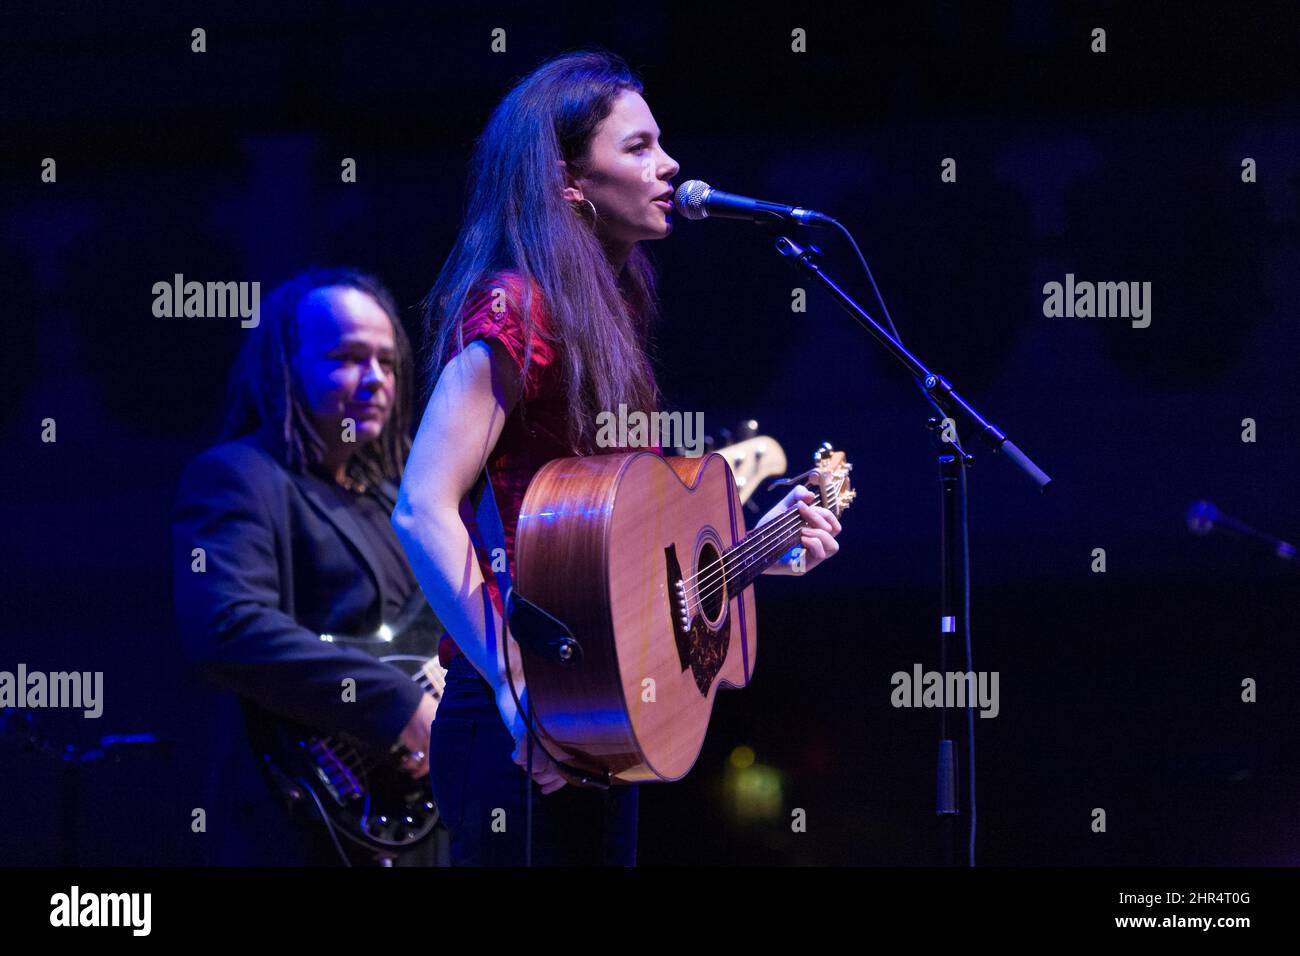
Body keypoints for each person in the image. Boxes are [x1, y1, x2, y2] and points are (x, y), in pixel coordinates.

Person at [391, 50, 843, 867]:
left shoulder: (613, 304)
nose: (669, 165)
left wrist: (754, 555)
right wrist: (510, 678)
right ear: (567, 181)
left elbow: (616, 568)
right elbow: (422, 504)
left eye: (660, 143)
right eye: (637, 147)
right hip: (523, 722)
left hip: (599, 717)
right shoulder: (514, 304)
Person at [172, 268, 441, 866]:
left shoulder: (392, 498)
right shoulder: (237, 476)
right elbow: (224, 625)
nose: (375, 380)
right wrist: (394, 703)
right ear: (285, 367)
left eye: (388, 363)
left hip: (403, 816)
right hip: (298, 812)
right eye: (347, 358)